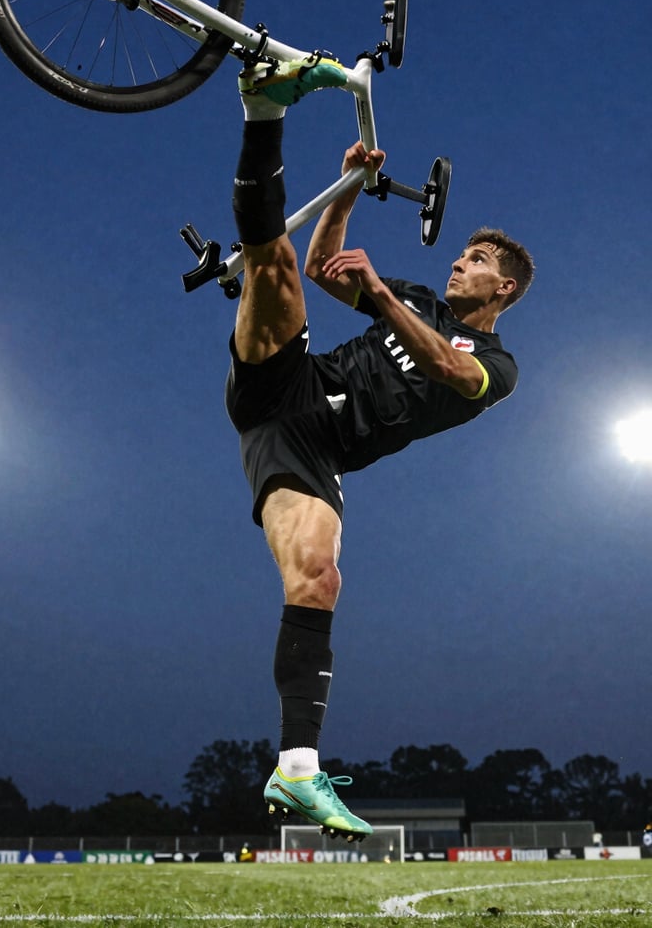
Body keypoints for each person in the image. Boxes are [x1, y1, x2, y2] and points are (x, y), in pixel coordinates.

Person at [224, 53, 535, 840]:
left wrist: (388, 296)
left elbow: (444, 365)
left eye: (477, 262)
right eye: (462, 254)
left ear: (504, 291)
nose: (460, 262)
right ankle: (264, 111)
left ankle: (296, 773)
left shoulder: (497, 365)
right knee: (282, 267)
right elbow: (333, 269)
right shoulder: (425, 300)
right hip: (288, 389)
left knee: (319, 577)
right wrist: (348, 191)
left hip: (319, 452)